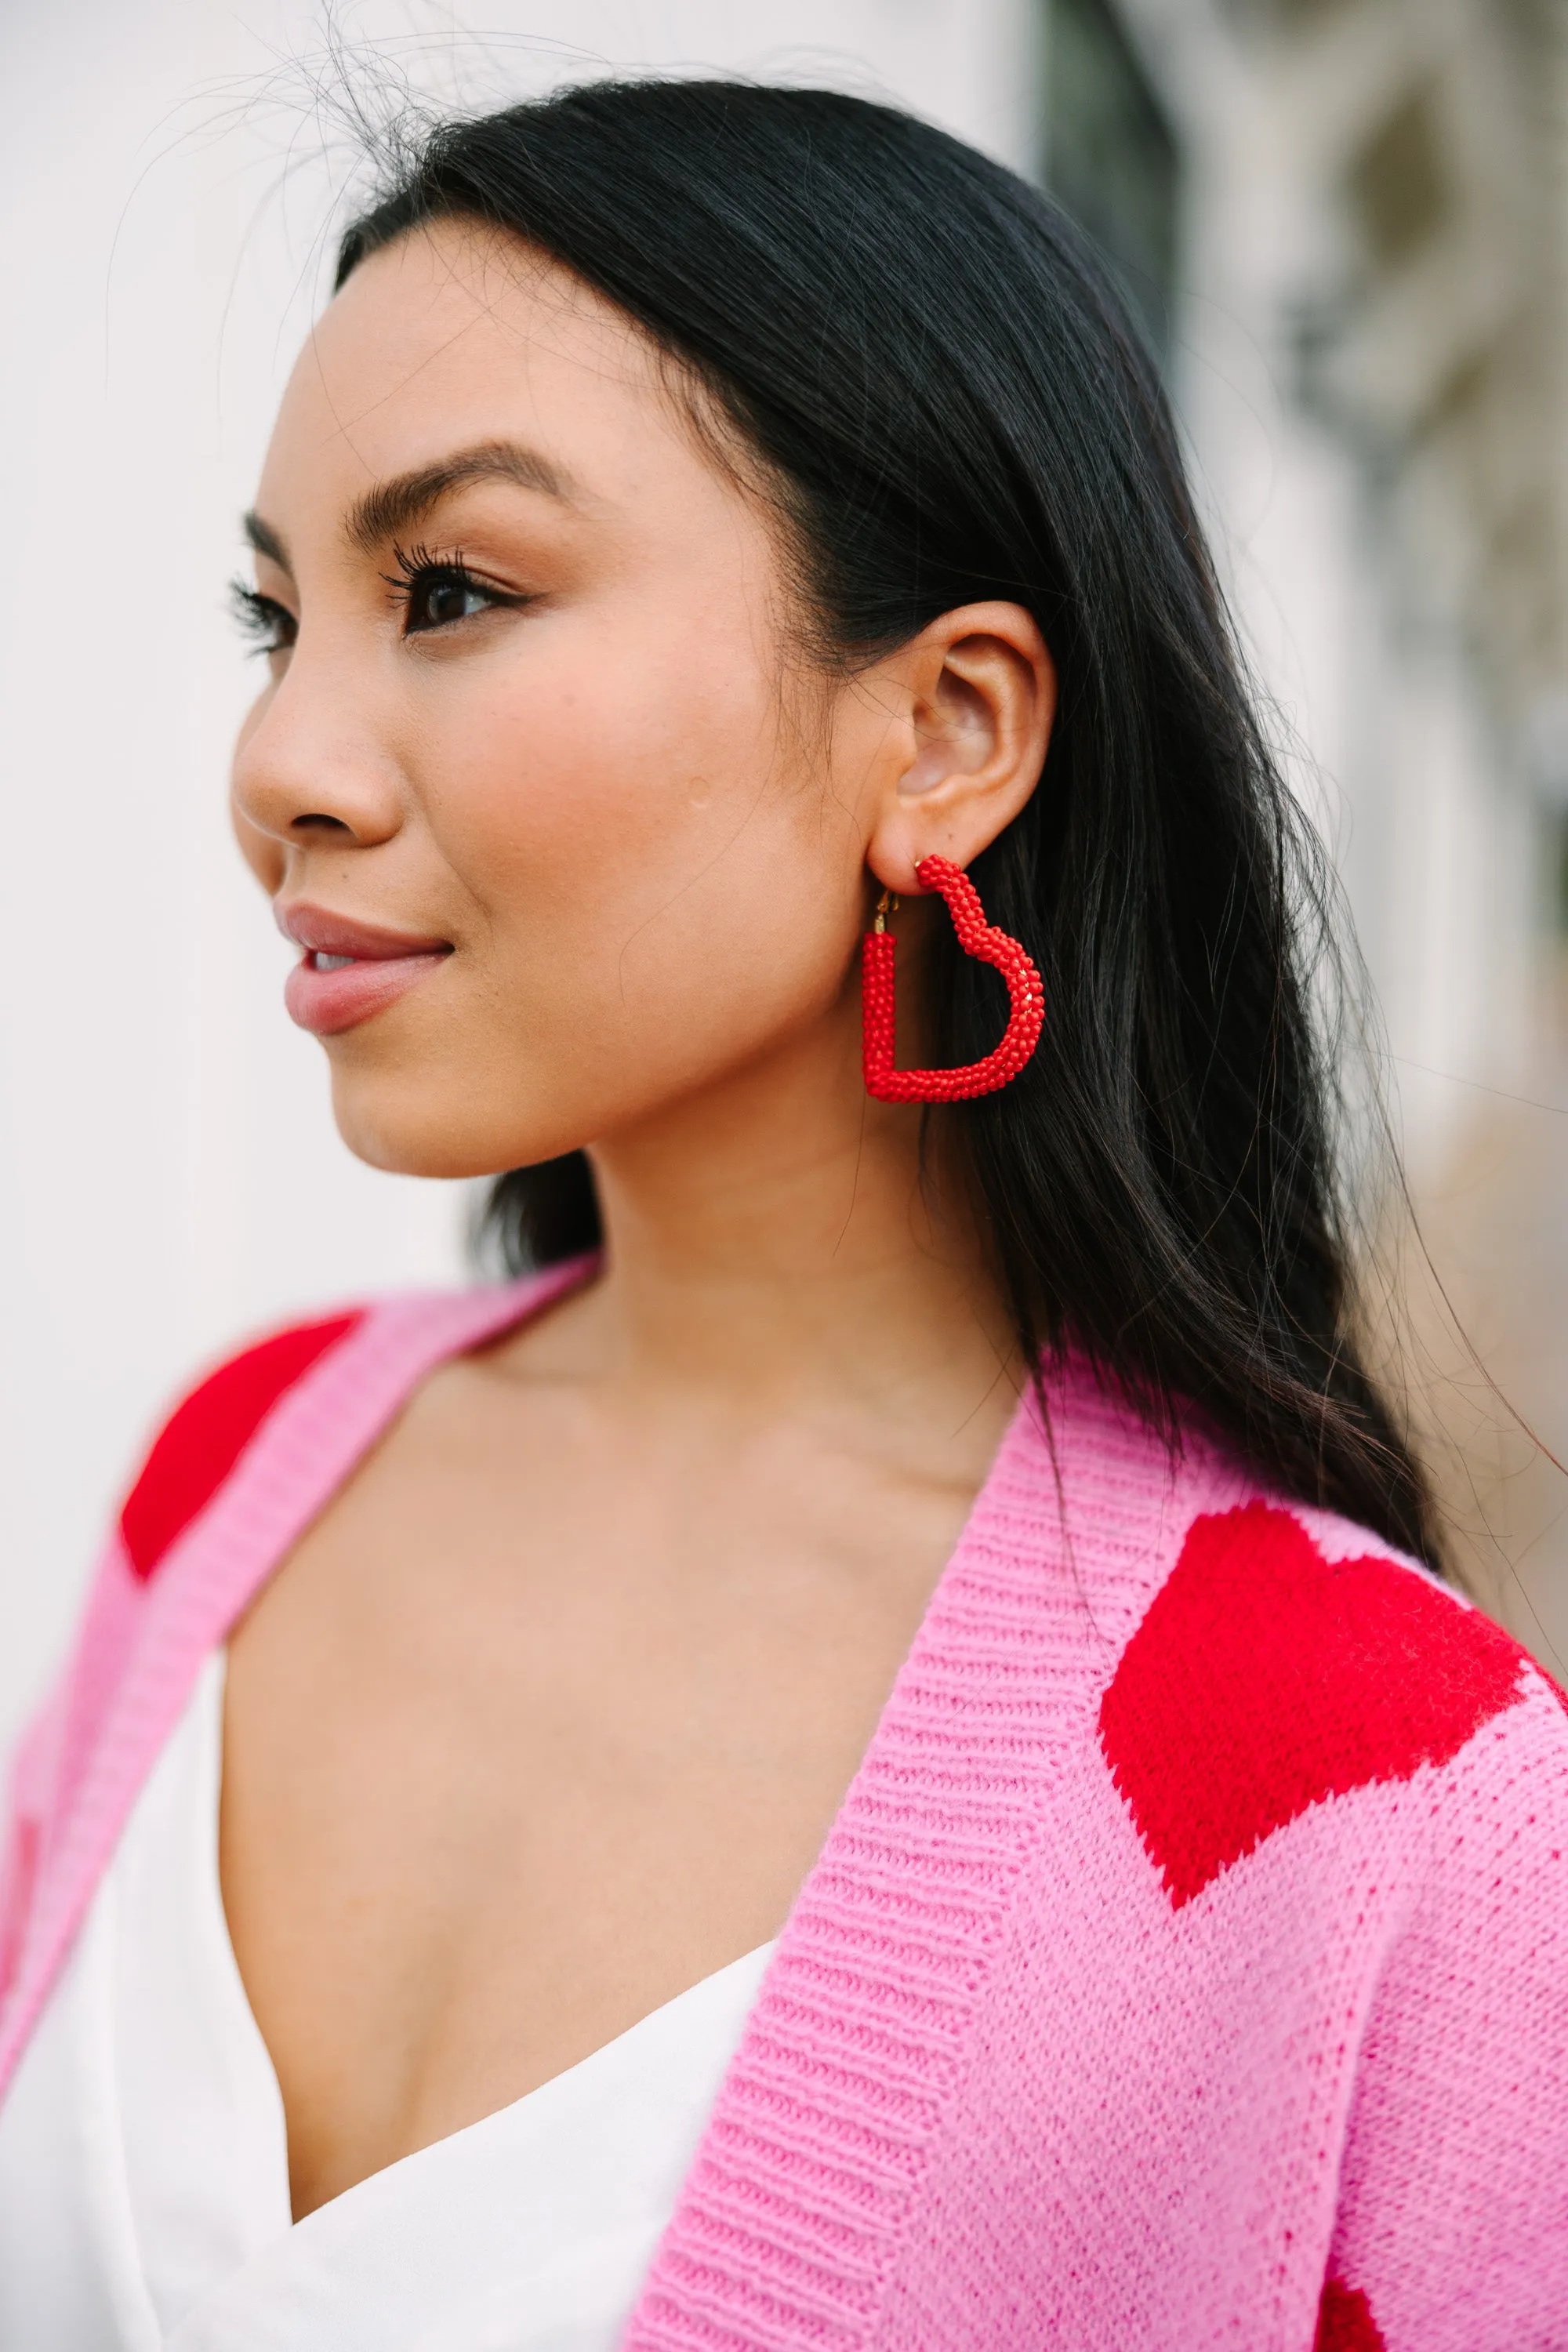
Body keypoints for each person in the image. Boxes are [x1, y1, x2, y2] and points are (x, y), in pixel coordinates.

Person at [1, 77, 1563, 2352]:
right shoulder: (238, 1477)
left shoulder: (1392, 1811)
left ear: (945, 734)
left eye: (450, 590)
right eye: (279, 618)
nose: (284, 765)